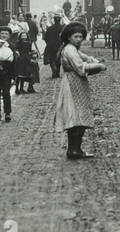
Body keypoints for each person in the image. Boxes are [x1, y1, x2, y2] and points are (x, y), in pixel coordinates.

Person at [56, 21, 105, 160]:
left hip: (76, 83)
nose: (78, 39)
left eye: (80, 37)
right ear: (69, 37)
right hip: (73, 83)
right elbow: (80, 67)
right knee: (76, 116)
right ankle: (74, 150)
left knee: (77, 115)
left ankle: (75, 149)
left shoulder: (72, 48)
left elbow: (85, 57)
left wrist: (94, 60)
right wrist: (99, 66)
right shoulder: (70, 49)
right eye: (75, 37)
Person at [44, 14, 64, 79]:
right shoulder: (63, 28)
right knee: (58, 59)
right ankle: (57, 72)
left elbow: (45, 38)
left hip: (51, 46)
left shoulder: (50, 28)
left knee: (52, 59)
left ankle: (53, 69)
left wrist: (49, 43)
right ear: (60, 20)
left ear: (54, 20)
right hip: (60, 46)